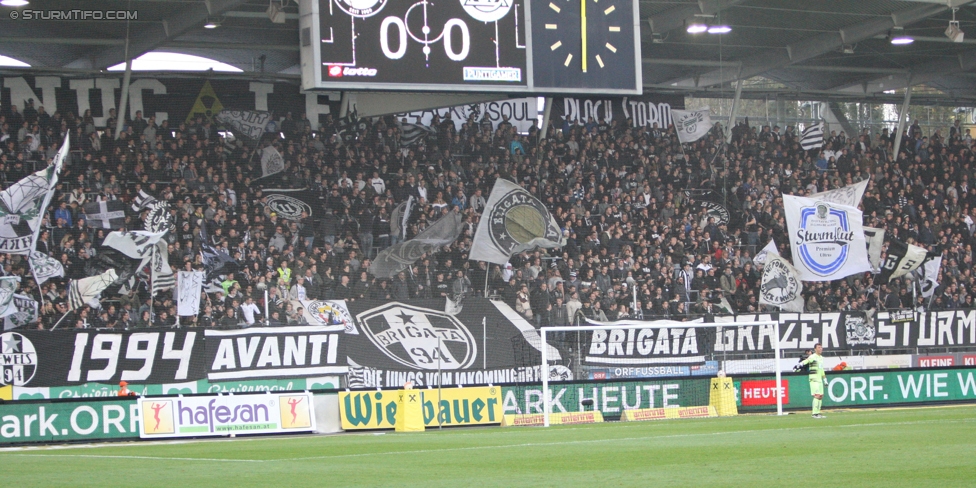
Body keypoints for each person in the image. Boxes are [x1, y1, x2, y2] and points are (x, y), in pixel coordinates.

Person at [794, 343, 827, 418]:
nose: (820, 349)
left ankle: (818, 413)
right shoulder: (812, 356)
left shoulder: (821, 358)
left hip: (819, 379)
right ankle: (814, 413)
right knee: (817, 396)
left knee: (821, 396)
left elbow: (821, 369)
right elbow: (806, 361)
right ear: (815, 349)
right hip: (814, 378)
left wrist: (825, 379)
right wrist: (800, 364)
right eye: (819, 347)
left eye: (821, 347)